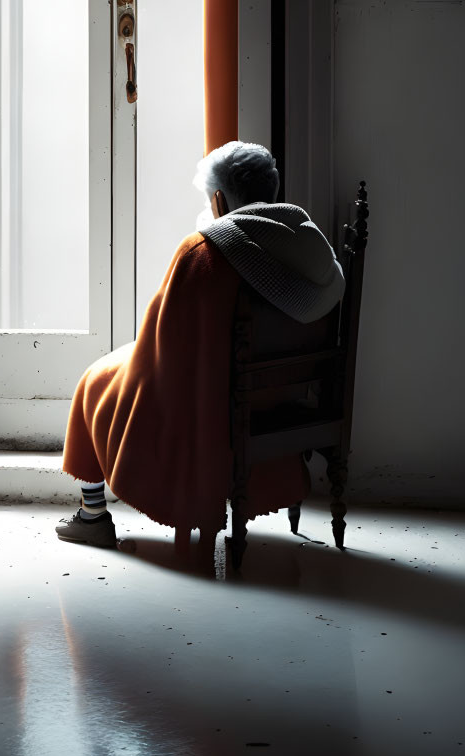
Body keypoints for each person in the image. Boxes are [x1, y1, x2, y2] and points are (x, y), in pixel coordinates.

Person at [55, 140, 346, 548]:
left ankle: (92, 517)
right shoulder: (312, 250)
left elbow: (162, 347)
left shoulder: (206, 252)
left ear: (220, 199)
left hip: (213, 403)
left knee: (93, 380)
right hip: (284, 395)